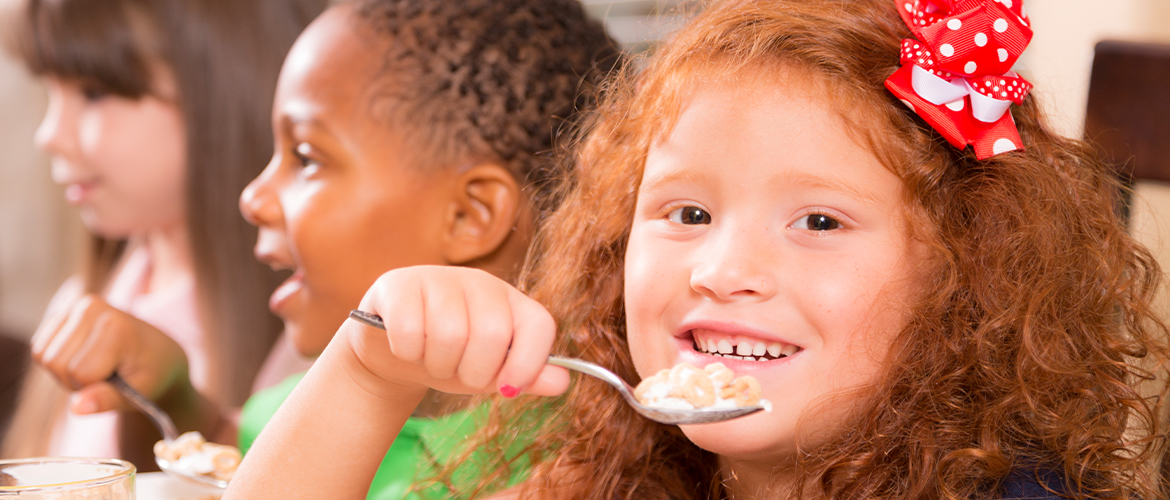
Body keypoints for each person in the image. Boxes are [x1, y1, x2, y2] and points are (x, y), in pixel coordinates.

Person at [226, 0, 1170, 499]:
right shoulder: (607, 479)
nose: (720, 269)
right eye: (684, 214)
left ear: (973, 281)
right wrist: (364, 372)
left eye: (819, 222)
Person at [232, 0, 617, 498]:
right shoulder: (288, 411)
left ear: (468, 216)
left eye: (306, 158)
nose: (252, 198)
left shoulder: (576, 462)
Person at [0, 0, 325, 467]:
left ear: (221, 93)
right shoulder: (82, 299)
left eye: (92, 92)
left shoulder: (305, 346)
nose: (49, 134)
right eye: (50, 91)